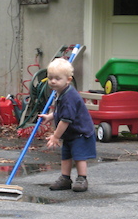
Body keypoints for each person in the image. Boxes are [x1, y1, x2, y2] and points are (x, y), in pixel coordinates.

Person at [39, 58, 96, 192]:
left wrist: (55, 137)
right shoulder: (60, 93)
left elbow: (65, 120)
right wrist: (50, 116)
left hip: (80, 133)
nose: (53, 81)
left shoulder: (70, 97)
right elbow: (61, 112)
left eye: (57, 78)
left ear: (68, 80)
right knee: (66, 155)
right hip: (70, 133)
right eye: (50, 78)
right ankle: (65, 178)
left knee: (79, 156)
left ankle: (82, 178)